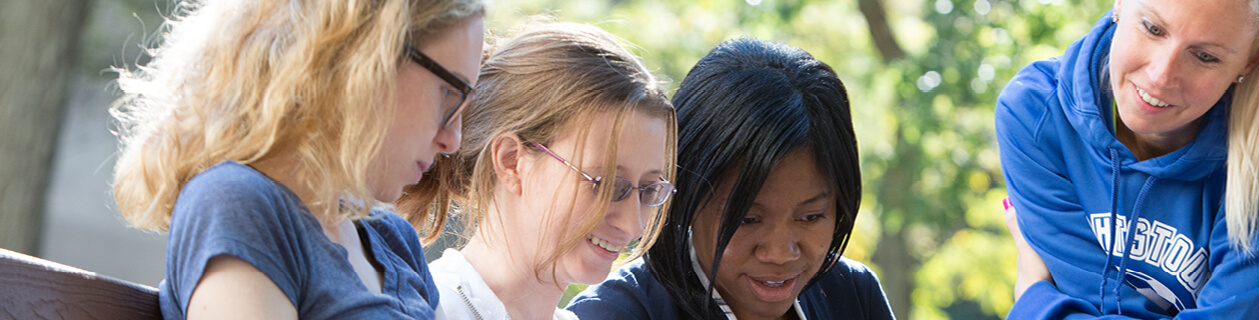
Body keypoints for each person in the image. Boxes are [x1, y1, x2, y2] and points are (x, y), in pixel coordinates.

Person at [109, 0, 487, 318]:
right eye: (449, 94)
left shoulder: (393, 239)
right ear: (363, 58)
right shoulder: (238, 203)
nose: (451, 140)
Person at [995, 0, 1259, 317]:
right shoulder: (1037, 115)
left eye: (1205, 56)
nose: (1160, 75)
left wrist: (1035, 303)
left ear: (1253, 57)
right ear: (1120, 3)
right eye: (1153, 28)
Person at [566, 38, 895, 320]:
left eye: (811, 217)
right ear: (684, 194)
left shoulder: (850, 292)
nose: (780, 253)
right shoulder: (616, 312)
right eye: (747, 218)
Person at [394, 22, 675, 320]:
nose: (633, 226)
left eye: (649, 190)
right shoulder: (420, 310)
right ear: (511, 160)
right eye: (606, 185)